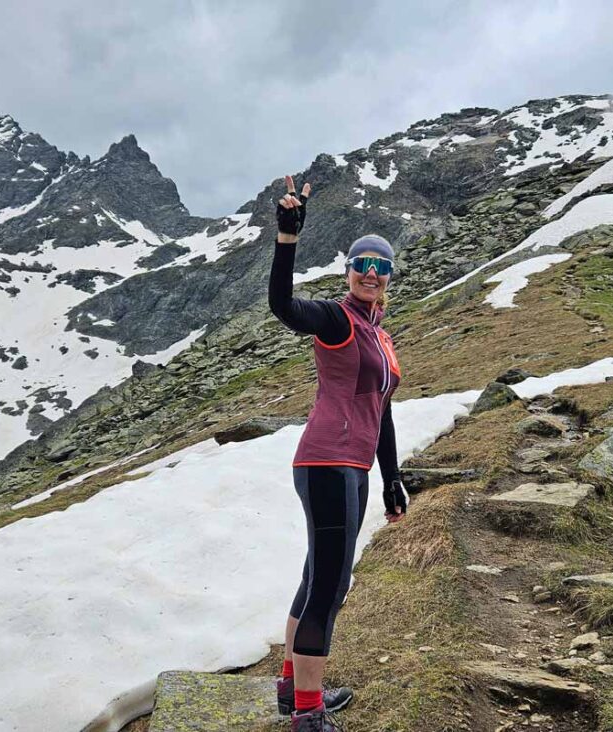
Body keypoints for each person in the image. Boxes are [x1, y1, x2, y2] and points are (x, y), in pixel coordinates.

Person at [267, 174, 409, 731]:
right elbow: (281, 305)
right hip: (326, 461)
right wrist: (287, 239)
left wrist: (392, 479)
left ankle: (289, 687)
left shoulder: (380, 333)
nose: (371, 273)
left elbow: (384, 408)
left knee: (317, 577)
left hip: (356, 467)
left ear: (391, 275)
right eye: (362, 265)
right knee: (330, 585)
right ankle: (307, 714)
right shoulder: (335, 319)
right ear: (349, 272)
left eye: (381, 266)